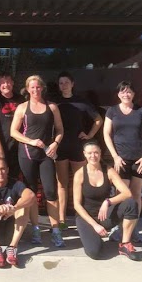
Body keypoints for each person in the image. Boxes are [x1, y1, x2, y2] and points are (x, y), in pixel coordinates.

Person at [10, 75, 65, 247]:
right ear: (28, 89)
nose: (35, 90)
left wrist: (55, 143)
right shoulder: (22, 108)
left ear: (42, 88)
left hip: (46, 155)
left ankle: (55, 230)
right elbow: (13, 132)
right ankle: (35, 229)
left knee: (51, 192)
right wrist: (31, 141)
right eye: (32, 87)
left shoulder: (52, 107)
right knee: (31, 193)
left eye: (38, 87)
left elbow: (60, 130)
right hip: (27, 154)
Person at [103, 81, 142, 243]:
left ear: (133, 94)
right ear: (118, 94)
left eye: (129, 92)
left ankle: (132, 227)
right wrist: (115, 156)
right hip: (121, 160)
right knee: (122, 195)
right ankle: (119, 227)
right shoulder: (112, 111)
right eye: (123, 91)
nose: (126, 94)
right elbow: (106, 134)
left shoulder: (141, 111)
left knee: (136, 194)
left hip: (139, 159)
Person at [73, 141, 142, 261]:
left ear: (100, 153)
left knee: (131, 203)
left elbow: (127, 193)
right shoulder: (80, 174)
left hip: (104, 215)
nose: (93, 156)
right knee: (94, 253)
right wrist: (95, 225)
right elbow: (77, 205)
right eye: (89, 153)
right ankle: (94, 238)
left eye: (96, 152)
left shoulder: (109, 170)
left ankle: (125, 244)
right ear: (84, 154)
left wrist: (108, 202)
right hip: (86, 218)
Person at [55, 72, 103, 230]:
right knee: (62, 184)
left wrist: (89, 135)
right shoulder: (55, 103)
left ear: (72, 84)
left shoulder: (81, 102)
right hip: (60, 146)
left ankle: (82, 218)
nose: (64, 85)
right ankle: (61, 220)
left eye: (66, 82)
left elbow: (98, 120)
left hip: (77, 146)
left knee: (80, 183)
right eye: (61, 83)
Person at [0, 72, 24, 179]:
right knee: (0, 178)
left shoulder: (21, 100)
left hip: (17, 147)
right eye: (2, 82)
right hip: (0, 147)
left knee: (15, 177)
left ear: (12, 83)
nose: (6, 85)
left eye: (8, 82)